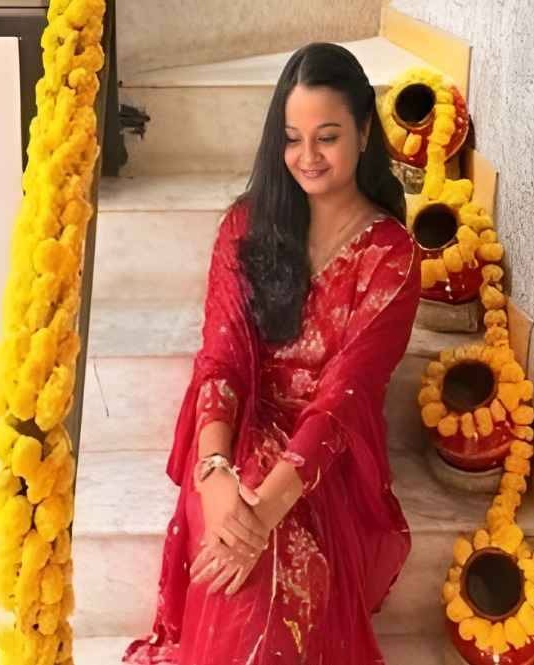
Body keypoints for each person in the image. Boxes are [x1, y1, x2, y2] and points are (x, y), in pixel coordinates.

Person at [122, 41, 422, 665]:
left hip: (327, 458)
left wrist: (263, 516)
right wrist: (213, 473)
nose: (307, 157)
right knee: (234, 571)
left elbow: (344, 400)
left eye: (327, 137)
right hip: (231, 438)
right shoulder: (247, 227)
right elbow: (221, 361)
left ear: (365, 133)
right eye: (291, 139)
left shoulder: (390, 257)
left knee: (274, 579)